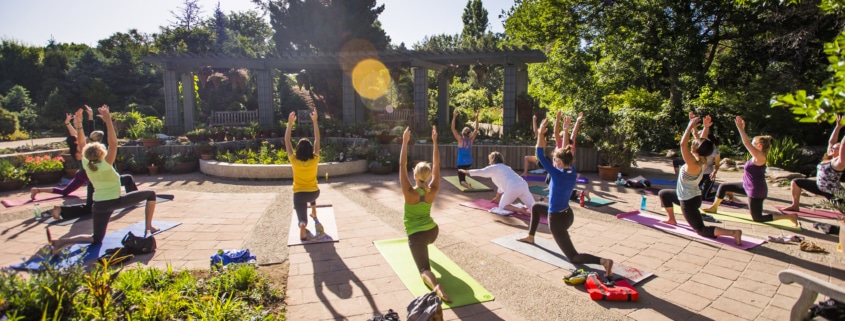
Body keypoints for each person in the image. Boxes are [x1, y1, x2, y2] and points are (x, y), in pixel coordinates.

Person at [516, 116, 614, 278]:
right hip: (568, 215)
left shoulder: (557, 173)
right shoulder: (572, 171)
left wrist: (540, 134)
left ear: (560, 162)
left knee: (574, 257)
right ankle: (531, 236)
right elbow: (566, 148)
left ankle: (604, 261)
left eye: (555, 160)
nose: (553, 162)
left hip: (557, 220)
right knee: (536, 206)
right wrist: (567, 130)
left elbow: (539, 154)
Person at [50, 105, 159, 249]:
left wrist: (79, 125)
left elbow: (82, 143)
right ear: (102, 153)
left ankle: (61, 242)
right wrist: (108, 121)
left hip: (98, 205)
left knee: (95, 238)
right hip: (115, 202)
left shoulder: (86, 163)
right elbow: (113, 143)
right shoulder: (106, 163)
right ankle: (149, 225)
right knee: (151, 194)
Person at [658, 116, 744, 245]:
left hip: (688, 201)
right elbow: (702, 142)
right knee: (664, 193)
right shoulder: (703, 159)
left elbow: (683, 144)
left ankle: (733, 233)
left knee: (700, 229)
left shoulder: (692, 163)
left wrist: (688, 127)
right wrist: (706, 127)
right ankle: (671, 219)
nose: (695, 141)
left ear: (695, 149)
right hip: (690, 196)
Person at [702, 116, 798, 226]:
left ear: (760, 146)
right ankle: (714, 208)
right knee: (723, 186)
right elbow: (748, 142)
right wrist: (742, 128)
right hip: (747, 186)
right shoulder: (756, 156)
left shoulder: (760, 157)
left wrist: (740, 128)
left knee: (757, 218)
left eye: (754, 143)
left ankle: (789, 217)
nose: (751, 144)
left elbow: (746, 142)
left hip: (756, 190)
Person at [399, 126, 450, 302]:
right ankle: (426, 255)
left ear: (415, 175)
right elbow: (436, 165)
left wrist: (404, 142)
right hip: (432, 232)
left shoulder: (409, 192)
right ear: (427, 176)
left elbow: (402, 164)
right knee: (424, 246)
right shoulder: (433, 189)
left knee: (423, 269)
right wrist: (435, 141)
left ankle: (436, 286)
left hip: (418, 236)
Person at [783, 115, 845, 211]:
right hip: (819, 186)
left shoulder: (840, 162)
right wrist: (838, 127)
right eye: (832, 148)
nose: (832, 148)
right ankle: (795, 206)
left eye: (836, 148)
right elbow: (831, 142)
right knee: (796, 182)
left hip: (833, 192)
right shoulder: (829, 157)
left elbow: (843, 146)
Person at [30, 110, 88, 199]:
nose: (77, 136)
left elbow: (75, 135)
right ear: (75, 141)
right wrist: (79, 123)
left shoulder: (75, 148)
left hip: (81, 174)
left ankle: (37, 190)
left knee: (64, 191)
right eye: (76, 137)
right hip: (86, 174)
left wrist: (68, 123)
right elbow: (80, 137)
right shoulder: (80, 148)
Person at [458, 151, 535, 215]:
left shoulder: (494, 167)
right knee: (534, 206)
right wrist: (496, 197)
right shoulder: (507, 167)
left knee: (502, 206)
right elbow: (501, 187)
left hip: (513, 187)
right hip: (523, 185)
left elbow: (481, 171)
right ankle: (545, 211)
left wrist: (466, 172)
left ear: (492, 160)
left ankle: (520, 210)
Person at [285, 109, 321, 241]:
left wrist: (290, 123)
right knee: (311, 188)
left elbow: (287, 140)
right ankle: (314, 210)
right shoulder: (315, 158)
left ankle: (302, 225)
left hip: (299, 195)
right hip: (314, 193)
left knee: (301, 215)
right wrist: (315, 121)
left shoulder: (294, 160)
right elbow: (317, 138)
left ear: (298, 150)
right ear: (311, 149)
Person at [451, 109, 479, 189]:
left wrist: (454, 117)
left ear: (462, 133)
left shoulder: (460, 140)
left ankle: (466, 185)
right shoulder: (471, 140)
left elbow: (453, 129)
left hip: (461, 162)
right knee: (463, 174)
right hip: (469, 162)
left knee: (461, 181)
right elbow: (476, 129)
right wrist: (476, 118)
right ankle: (466, 182)